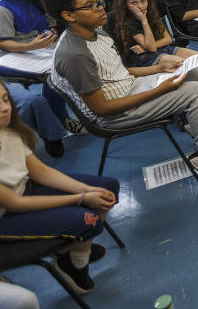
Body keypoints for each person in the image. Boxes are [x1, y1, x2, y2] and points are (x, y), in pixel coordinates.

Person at [43, 0, 198, 182]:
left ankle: (193, 123)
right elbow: (102, 109)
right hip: (114, 113)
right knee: (195, 91)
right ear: (68, 15)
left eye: (98, 2)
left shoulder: (98, 32)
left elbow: (120, 72)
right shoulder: (75, 55)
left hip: (129, 88)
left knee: (197, 72)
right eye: (91, 6)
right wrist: (160, 89)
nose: (100, 9)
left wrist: (158, 68)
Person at [0, 79, 119, 294]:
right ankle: (75, 263)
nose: (5, 107)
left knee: (107, 188)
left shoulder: (9, 129)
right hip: (7, 215)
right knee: (89, 220)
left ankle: (72, 253)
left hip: (25, 189)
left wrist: (86, 189)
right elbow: (15, 203)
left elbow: (40, 172)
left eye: (5, 99)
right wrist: (81, 197)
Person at [0, 0, 85, 157]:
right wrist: (32, 46)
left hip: (39, 52)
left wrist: (53, 33)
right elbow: (4, 44)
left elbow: (52, 25)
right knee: (53, 72)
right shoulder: (4, 8)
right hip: (10, 58)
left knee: (65, 62)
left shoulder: (40, 2)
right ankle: (60, 120)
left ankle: (60, 118)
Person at [109, 0, 198, 70]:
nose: (140, 6)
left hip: (161, 49)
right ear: (125, 4)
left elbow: (168, 39)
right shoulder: (129, 22)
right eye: (134, 3)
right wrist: (144, 21)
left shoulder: (151, 12)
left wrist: (148, 47)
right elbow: (152, 48)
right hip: (144, 58)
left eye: (143, 1)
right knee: (188, 67)